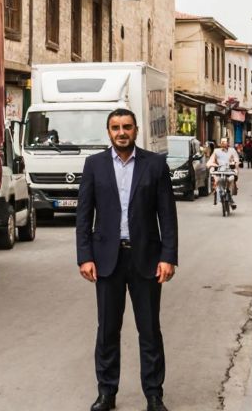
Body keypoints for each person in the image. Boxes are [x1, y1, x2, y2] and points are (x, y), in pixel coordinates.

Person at [76, 108, 178, 411]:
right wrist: (85, 257)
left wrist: (168, 257)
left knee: (149, 330)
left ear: (136, 130)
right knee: (107, 329)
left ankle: (154, 395)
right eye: (116, 127)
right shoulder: (94, 165)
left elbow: (167, 216)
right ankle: (106, 392)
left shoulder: (155, 165)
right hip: (107, 259)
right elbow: (84, 216)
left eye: (127, 127)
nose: (122, 132)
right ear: (108, 131)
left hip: (146, 258)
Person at [208, 137, 242, 203]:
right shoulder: (216, 151)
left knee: (231, 179)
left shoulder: (232, 150)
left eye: (225, 142)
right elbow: (211, 161)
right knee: (217, 181)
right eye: (222, 142)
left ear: (228, 143)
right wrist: (211, 166)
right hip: (219, 171)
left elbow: (236, 160)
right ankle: (217, 194)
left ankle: (230, 197)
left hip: (229, 171)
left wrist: (235, 164)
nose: (223, 143)